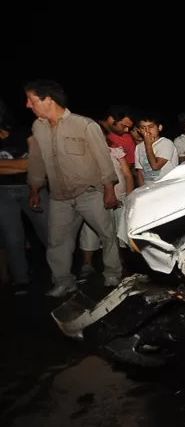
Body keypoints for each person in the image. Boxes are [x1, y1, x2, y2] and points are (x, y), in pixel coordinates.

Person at [24, 80, 122, 297]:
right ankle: (63, 281)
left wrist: (109, 191)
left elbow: (103, 159)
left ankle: (113, 273)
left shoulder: (84, 125)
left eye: (31, 101)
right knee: (57, 241)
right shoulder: (38, 127)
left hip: (90, 193)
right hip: (59, 196)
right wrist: (34, 189)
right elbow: (37, 161)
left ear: (48, 99)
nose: (28, 106)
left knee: (107, 234)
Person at [0, 103, 49, 296]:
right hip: (3, 191)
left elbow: (35, 163)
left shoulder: (23, 131)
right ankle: (21, 278)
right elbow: (26, 163)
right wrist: (22, 165)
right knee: (12, 237)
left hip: (32, 186)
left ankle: (61, 273)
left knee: (48, 231)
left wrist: (22, 165)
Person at [78, 132, 135, 277]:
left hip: (120, 198)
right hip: (96, 199)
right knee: (90, 231)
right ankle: (87, 264)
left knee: (120, 231)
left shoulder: (116, 151)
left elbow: (127, 174)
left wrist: (129, 196)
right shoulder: (84, 154)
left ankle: (121, 263)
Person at [133, 113, 179, 187]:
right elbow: (140, 172)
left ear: (159, 127)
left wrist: (148, 145)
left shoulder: (166, 143)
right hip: (149, 188)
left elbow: (155, 166)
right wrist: (142, 189)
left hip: (167, 186)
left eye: (151, 126)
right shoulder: (139, 147)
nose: (147, 130)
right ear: (139, 130)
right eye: (143, 127)